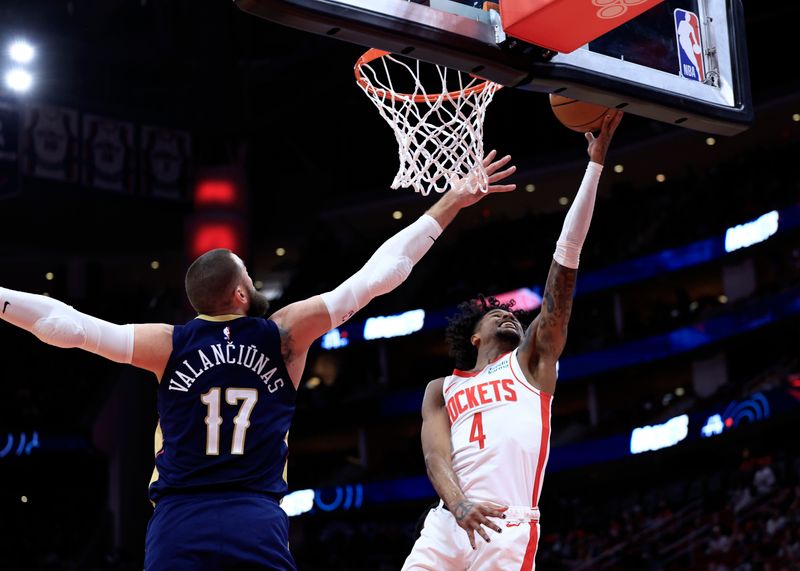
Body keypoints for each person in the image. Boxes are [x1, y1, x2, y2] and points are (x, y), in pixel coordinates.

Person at [0, 151, 516, 571]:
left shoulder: (168, 343)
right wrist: (452, 201)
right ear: (242, 293)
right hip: (254, 514)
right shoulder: (284, 334)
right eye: (248, 272)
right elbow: (382, 274)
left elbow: (69, 328)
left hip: (180, 519)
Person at [402, 111, 623, 571]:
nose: (509, 316)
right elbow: (435, 456)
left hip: (508, 524)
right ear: (475, 334)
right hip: (450, 520)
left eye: (515, 316)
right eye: (496, 313)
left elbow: (566, 260)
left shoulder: (531, 362)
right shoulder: (440, 389)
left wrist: (595, 166)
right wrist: (460, 506)